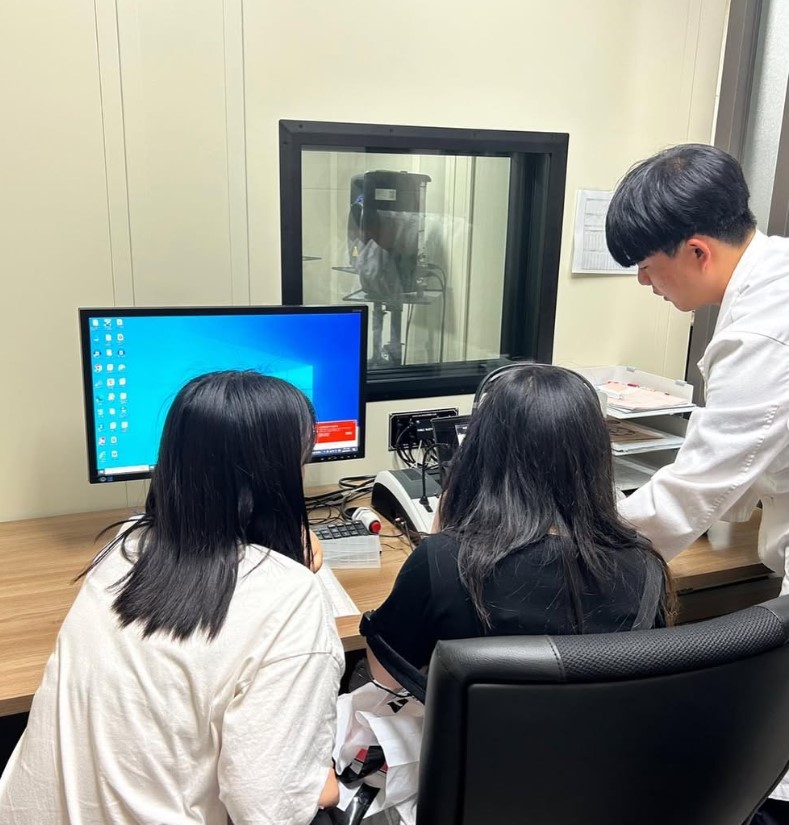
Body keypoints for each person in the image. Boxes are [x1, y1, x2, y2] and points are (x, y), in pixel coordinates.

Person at [0, 371, 344, 825]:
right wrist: (320, 783)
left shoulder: (125, 546)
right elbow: (266, 810)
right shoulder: (291, 599)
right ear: (275, 478)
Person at [606, 142, 789, 823]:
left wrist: (583, 533)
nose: (643, 282)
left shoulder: (766, 333)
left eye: (646, 265)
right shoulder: (774, 279)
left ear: (696, 252)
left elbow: (695, 491)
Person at [362, 364, 674, 686]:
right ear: (596, 459)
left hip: (474, 722)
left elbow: (386, 677)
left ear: (479, 452)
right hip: (597, 721)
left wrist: (443, 533)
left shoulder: (444, 561)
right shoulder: (644, 568)